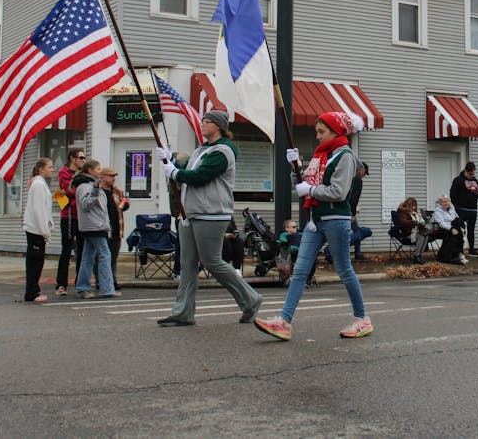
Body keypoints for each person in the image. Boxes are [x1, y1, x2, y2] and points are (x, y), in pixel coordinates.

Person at [255, 111, 372, 341]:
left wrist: (310, 190)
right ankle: (284, 322)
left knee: (344, 269)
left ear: (336, 131)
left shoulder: (345, 156)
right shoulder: (322, 157)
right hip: (315, 222)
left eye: (322, 131)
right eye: (316, 131)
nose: (317, 136)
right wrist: (295, 167)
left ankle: (362, 319)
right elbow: (304, 183)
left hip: (336, 220)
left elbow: (338, 192)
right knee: (299, 272)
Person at [155, 111, 262, 326]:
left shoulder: (223, 151)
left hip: (211, 213)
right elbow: (187, 170)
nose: (202, 125)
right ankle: (182, 312)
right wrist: (172, 161)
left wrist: (174, 172)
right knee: (187, 264)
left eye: (207, 122)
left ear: (219, 126)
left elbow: (201, 176)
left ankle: (250, 299)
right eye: (203, 121)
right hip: (190, 212)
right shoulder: (201, 150)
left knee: (213, 262)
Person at [72, 159, 120, 299]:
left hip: (94, 225)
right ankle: (107, 288)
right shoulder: (85, 186)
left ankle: (83, 287)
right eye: (98, 168)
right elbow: (85, 205)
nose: (100, 171)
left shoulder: (92, 185)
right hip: (94, 226)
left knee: (88, 256)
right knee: (105, 255)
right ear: (90, 170)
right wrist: (94, 190)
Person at [323, 162, 372, 262]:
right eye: (364, 172)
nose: (364, 175)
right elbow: (354, 198)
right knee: (358, 232)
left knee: (355, 230)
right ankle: (330, 251)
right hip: (348, 211)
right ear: (361, 169)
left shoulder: (347, 177)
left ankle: (357, 253)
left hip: (340, 209)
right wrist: (352, 214)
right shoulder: (357, 180)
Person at [23, 157, 54, 303]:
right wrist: (44, 230)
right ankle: (32, 292)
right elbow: (38, 209)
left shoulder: (39, 184)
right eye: (49, 167)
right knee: (35, 261)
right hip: (36, 230)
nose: (52, 169)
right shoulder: (39, 185)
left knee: (36, 261)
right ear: (41, 169)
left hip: (36, 228)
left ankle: (33, 290)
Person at [55, 148, 85, 296]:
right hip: (68, 216)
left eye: (84, 158)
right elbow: (68, 190)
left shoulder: (84, 174)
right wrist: (79, 189)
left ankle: (81, 282)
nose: (83, 161)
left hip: (82, 217)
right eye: (81, 158)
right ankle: (61, 284)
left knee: (82, 250)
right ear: (72, 158)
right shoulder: (64, 172)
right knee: (66, 250)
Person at [99, 167, 129, 290]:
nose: (113, 179)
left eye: (114, 176)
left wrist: (126, 204)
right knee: (102, 257)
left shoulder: (117, 191)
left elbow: (123, 206)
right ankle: (101, 281)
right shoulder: (98, 191)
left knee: (113, 256)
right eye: (111, 176)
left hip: (116, 228)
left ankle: (112, 280)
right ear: (103, 177)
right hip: (103, 229)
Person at [450, 161, 478, 256]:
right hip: (461, 209)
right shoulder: (458, 180)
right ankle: (459, 250)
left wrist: (477, 191)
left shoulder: (474, 180)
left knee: (471, 230)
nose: (472, 176)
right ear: (466, 171)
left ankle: (472, 249)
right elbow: (452, 194)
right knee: (459, 230)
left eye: (473, 174)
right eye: (470, 174)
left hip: (473, 210)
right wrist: (457, 206)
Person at [426, 195, 464, 265]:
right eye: (444, 202)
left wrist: (459, 226)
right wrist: (451, 229)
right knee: (452, 236)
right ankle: (447, 257)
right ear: (440, 203)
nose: (446, 203)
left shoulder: (452, 208)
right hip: (440, 229)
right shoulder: (438, 210)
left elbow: (457, 217)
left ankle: (458, 255)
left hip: (453, 227)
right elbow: (441, 223)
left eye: (448, 201)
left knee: (460, 236)